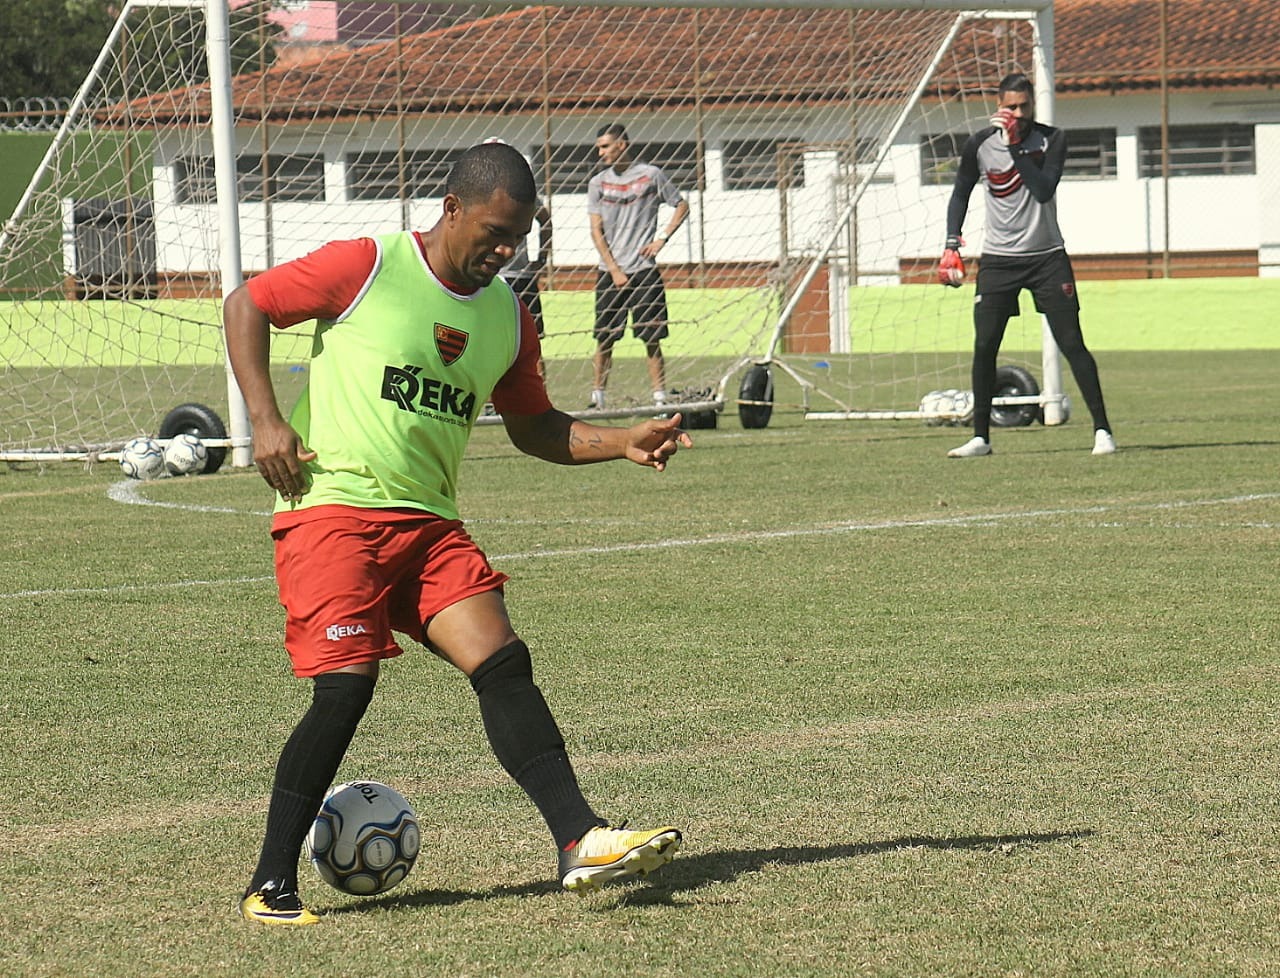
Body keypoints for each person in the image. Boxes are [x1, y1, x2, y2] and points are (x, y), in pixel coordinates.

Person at [224, 140, 689, 927]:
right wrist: (265, 420)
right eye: (494, 234)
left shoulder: (508, 314)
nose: (504, 253)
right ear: (452, 209)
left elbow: (534, 424)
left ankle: (579, 839)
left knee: (503, 663)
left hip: (430, 524)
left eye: (519, 239)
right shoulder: (368, 265)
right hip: (332, 509)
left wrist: (621, 441)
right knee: (346, 687)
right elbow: (248, 305)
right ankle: (270, 885)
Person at [938, 72, 1115, 458]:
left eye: (1024, 106)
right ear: (999, 106)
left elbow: (1042, 189)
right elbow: (960, 193)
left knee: (1072, 343)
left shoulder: (1052, 139)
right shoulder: (980, 145)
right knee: (985, 345)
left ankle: (1103, 431)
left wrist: (1017, 147)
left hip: (1047, 258)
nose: (1018, 113)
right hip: (999, 261)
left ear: (1032, 105)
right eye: (1010, 107)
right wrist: (952, 243)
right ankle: (980, 437)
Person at [586, 123, 689, 411]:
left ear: (622, 145)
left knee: (651, 338)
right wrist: (614, 269)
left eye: (605, 146)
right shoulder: (597, 183)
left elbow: (681, 205)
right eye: (599, 147)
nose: (600, 152)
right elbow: (596, 231)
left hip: (644, 271)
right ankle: (598, 398)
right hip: (610, 273)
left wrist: (661, 239)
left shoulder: (651, 175)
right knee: (604, 338)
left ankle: (659, 398)